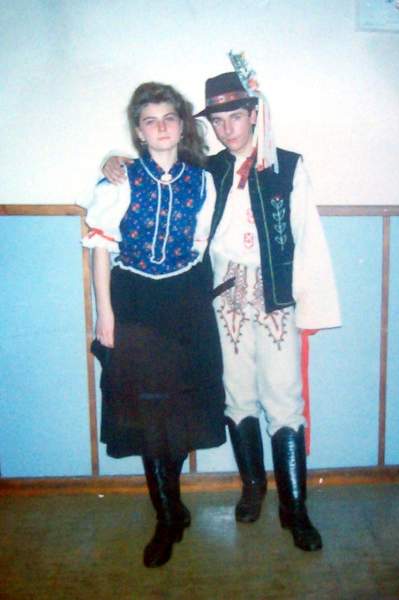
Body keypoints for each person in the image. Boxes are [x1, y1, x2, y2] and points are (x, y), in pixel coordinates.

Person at [102, 61, 341, 553]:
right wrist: (113, 160)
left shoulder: (289, 166)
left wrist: (310, 307)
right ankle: (253, 489)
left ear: (254, 114)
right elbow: (155, 170)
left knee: (284, 400)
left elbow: (310, 240)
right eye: (217, 120)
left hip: (274, 295)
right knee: (237, 396)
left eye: (235, 117)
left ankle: (295, 510)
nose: (227, 129)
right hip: (221, 295)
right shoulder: (208, 171)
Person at [82, 82, 226, 568]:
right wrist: (105, 313)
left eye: (169, 118)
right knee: (147, 412)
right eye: (150, 120)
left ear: (182, 126)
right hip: (135, 303)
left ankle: (172, 504)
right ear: (139, 132)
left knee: (180, 409)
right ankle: (167, 517)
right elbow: (101, 248)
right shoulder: (119, 181)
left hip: (185, 304)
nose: (161, 127)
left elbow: (202, 245)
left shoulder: (202, 182)